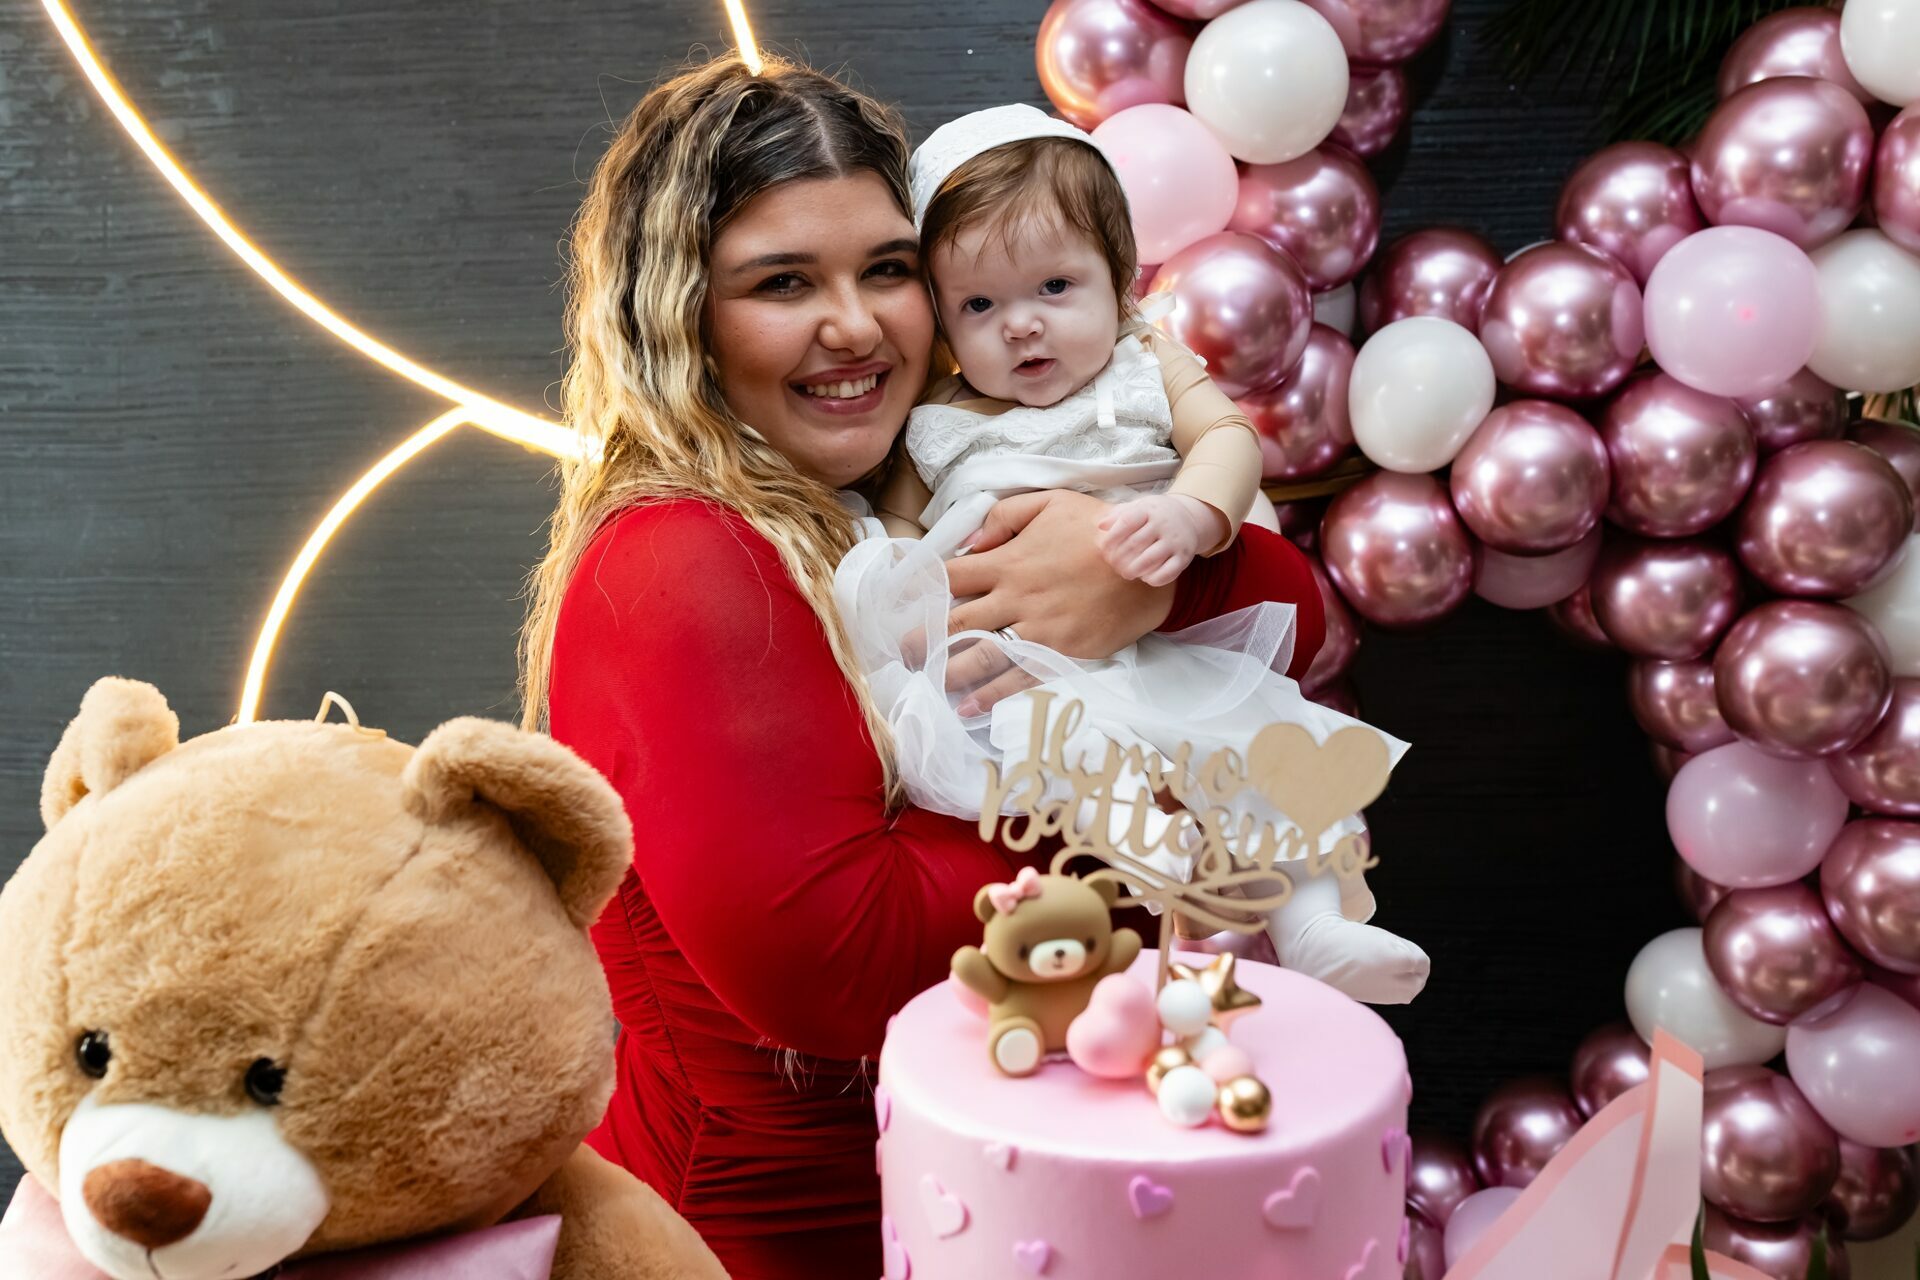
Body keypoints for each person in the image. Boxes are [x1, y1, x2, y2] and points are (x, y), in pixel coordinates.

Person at [519, 57, 1328, 1277]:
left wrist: (1144, 580)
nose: (857, 326)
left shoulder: (913, 485)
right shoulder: (683, 554)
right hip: (773, 1242)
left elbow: (1295, 605)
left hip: (982, 1202)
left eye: (889, 270)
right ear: (679, 315)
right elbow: (846, 957)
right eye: (783, 282)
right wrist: (1181, 795)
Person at [833, 105, 1427, 1010]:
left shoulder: (1144, 361)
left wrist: (1193, 516)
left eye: (1055, 287)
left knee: (1268, 763)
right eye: (980, 305)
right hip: (1021, 668)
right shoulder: (938, 422)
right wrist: (899, 592)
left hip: (1160, 642)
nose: (1022, 326)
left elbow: (1226, 437)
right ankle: (1148, 853)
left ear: (1119, 279)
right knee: (1054, 747)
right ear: (944, 324)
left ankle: (1314, 929)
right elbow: (900, 532)